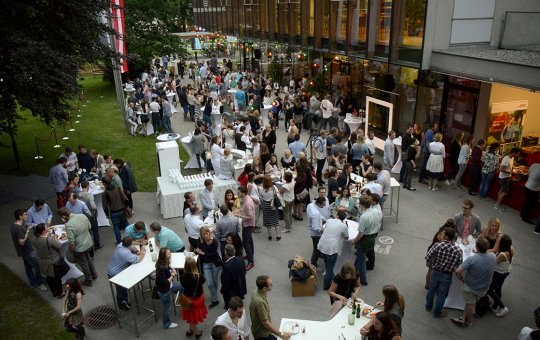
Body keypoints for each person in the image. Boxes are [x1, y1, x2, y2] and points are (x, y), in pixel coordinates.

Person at [452, 237, 496, 328]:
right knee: (471, 302)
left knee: (470, 304)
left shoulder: (472, 259)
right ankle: (463, 317)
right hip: (484, 288)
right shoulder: (493, 256)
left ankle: (468, 322)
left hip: (471, 288)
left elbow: (457, 271)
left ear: (477, 247)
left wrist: (461, 278)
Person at [425, 227, 462, 318]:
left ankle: (428, 307)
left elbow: (428, 257)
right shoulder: (458, 250)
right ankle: (437, 313)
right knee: (441, 294)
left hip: (435, 271)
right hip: (446, 275)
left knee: (431, 290)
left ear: (445, 236)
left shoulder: (437, 245)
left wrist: (435, 262)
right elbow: (459, 265)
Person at [58, 207, 97, 287]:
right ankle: (94, 274)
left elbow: (71, 242)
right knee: (88, 258)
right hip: (88, 243)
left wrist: (71, 250)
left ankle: (88, 280)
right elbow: (89, 227)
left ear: (64, 216)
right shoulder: (82, 216)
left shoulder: (69, 225)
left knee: (83, 264)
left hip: (79, 248)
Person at [10, 209, 47, 291]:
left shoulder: (14, 225)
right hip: (28, 251)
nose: (27, 216)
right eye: (25, 214)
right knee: (37, 266)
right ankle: (39, 283)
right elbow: (21, 242)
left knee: (28, 267)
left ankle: (33, 283)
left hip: (23, 252)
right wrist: (27, 232)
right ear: (20, 216)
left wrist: (27, 229)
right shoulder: (18, 228)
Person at [107, 236, 146, 310]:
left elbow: (131, 248)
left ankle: (125, 300)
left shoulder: (120, 245)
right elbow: (138, 259)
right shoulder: (126, 254)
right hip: (116, 274)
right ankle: (122, 304)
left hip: (113, 269)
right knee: (121, 290)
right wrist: (142, 252)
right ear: (130, 244)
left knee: (123, 289)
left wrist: (137, 251)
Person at [249, 275, 292, 340]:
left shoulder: (257, 291)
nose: (272, 285)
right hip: (262, 334)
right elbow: (265, 323)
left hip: (259, 329)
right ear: (264, 289)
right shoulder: (259, 302)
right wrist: (282, 335)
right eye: (270, 285)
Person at [352, 196, 380, 286]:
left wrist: (353, 241)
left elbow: (360, 234)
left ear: (361, 205)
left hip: (364, 240)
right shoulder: (375, 211)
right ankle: (353, 269)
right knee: (360, 256)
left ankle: (363, 280)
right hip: (372, 238)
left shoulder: (364, 217)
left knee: (362, 260)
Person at [317, 211, 349, 290]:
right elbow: (347, 237)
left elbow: (325, 230)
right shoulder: (343, 226)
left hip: (321, 247)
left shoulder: (329, 220)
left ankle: (331, 278)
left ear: (337, 216)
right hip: (331, 249)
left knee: (327, 264)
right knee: (330, 270)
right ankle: (326, 286)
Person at [32, 223, 64, 298]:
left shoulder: (34, 239)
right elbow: (59, 246)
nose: (47, 228)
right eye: (46, 227)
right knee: (57, 277)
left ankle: (54, 292)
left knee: (49, 278)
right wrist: (55, 238)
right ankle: (59, 293)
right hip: (53, 261)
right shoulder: (49, 239)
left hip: (42, 261)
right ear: (43, 230)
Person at [486, 234, 513, 318]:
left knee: (489, 290)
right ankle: (495, 306)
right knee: (498, 289)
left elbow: (493, 262)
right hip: (505, 272)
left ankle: (502, 307)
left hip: (499, 273)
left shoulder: (502, 254)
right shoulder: (511, 249)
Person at [155, 247, 182, 329]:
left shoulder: (165, 263)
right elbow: (165, 282)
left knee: (182, 285)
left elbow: (169, 266)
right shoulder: (161, 269)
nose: (170, 254)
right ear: (164, 256)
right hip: (164, 290)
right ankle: (167, 324)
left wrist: (172, 269)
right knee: (166, 307)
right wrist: (173, 275)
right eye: (168, 253)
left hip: (170, 286)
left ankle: (184, 303)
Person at [180, 257, 207, 339]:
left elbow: (183, 285)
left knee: (190, 316)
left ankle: (190, 330)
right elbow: (203, 281)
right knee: (193, 317)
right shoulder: (199, 277)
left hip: (188, 299)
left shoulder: (182, 277)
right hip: (198, 299)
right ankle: (197, 333)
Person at [196, 226, 222, 309]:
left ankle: (214, 296)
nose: (205, 235)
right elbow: (198, 250)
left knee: (214, 281)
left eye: (206, 233)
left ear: (209, 232)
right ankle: (215, 299)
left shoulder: (214, 241)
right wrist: (197, 251)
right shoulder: (200, 241)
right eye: (203, 234)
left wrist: (202, 253)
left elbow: (213, 254)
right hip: (206, 264)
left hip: (215, 263)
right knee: (209, 283)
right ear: (201, 235)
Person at [103, 176, 129, 245]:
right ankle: (131, 237)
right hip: (121, 209)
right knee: (126, 224)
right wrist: (126, 207)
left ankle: (119, 242)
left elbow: (105, 205)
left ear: (104, 184)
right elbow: (125, 199)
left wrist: (107, 215)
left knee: (116, 227)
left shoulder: (105, 192)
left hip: (113, 212)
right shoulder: (118, 188)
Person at [221, 245, 248, 309]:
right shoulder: (241, 259)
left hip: (231, 294)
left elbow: (225, 284)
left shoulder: (226, 267)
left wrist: (222, 290)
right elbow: (244, 272)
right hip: (240, 289)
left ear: (226, 253)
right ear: (234, 251)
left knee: (232, 311)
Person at [238, 186, 255, 271]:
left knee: (246, 243)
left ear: (243, 193)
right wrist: (241, 210)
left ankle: (251, 262)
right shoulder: (247, 198)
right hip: (248, 224)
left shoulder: (247, 203)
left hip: (248, 225)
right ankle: (250, 255)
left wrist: (240, 216)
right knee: (250, 241)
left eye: (239, 192)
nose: (237, 193)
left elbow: (251, 216)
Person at [307, 197, 327, 268]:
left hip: (311, 230)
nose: (324, 206)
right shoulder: (315, 214)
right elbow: (315, 227)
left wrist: (326, 219)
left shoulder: (311, 205)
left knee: (317, 248)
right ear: (318, 203)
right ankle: (313, 264)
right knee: (316, 249)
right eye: (323, 205)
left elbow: (319, 215)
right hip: (315, 234)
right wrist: (323, 230)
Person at [260, 175, 281, 241]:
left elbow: (261, 196)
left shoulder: (261, 189)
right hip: (273, 205)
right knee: (275, 219)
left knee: (267, 220)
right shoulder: (274, 187)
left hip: (265, 205)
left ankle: (270, 235)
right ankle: (277, 235)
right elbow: (278, 194)